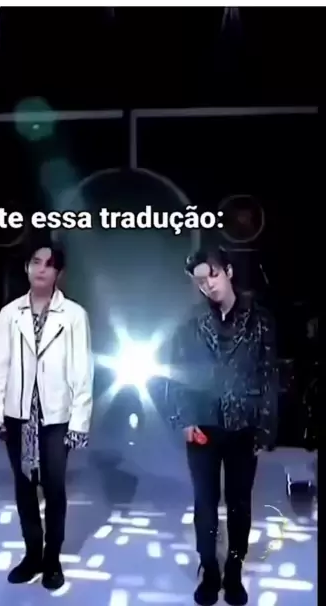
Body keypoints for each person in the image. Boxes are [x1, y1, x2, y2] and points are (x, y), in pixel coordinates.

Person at [168, 247, 277, 606]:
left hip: (243, 424)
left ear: (228, 271)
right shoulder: (191, 322)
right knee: (205, 502)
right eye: (200, 281)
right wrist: (184, 419)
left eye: (212, 275)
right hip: (203, 425)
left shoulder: (260, 320)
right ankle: (209, 570)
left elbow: (268, 374)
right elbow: (177, 373)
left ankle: (233, 569)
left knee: (239, 503)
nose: (208, 285)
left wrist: (265, 426)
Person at [0, 243, 93, 590]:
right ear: (27, 267)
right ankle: (32, 554)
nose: (41, 269)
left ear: (59, 272)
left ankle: (52, 558)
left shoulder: (73, 315)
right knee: (24, 487)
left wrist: (79, 422)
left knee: (55, 488)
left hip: (55, 415)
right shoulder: (10, 313)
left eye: (49, 264)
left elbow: (82, 370)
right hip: (18, 414)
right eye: (35, 262)